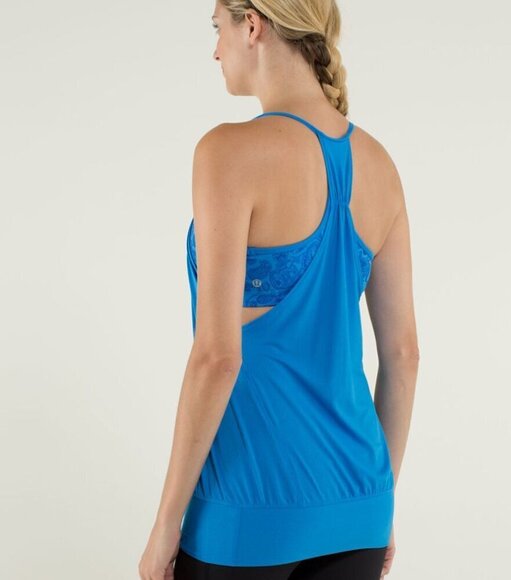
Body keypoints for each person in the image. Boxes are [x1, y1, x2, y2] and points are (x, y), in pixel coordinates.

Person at [139, 1, 419, 578]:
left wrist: (166, 522)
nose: (215, 50)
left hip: (245, 517)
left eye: (218, 28)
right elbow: (404, 355)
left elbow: (218, 358)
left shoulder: (227, 151)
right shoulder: (380, 165)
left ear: (253, 25)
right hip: (361, 509)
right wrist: (379, 498)